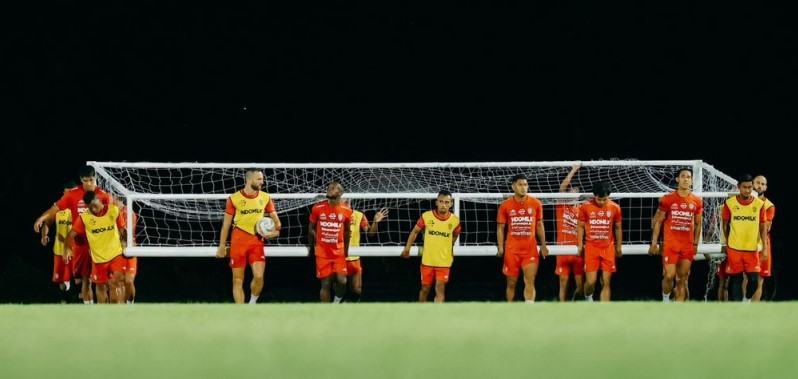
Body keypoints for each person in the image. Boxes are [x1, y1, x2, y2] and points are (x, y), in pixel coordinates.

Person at [33, 165, 110, 304]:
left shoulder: (103, 196)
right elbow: (54, 209)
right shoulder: (72, 195)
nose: (89, 184)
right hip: (81, 245)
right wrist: (41, 218)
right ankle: (89, 310)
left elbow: (112, 219)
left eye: (92, 180)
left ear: (96, 178)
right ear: (81, 179)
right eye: (86, 180)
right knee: (84, 280)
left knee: (102, 283)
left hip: (100, 244)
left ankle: (105, 312)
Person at [216, 168, 281, 304]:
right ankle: (242, 313)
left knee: (259, 277)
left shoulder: (265, 197)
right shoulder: (234, 199)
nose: (262, 182)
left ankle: (251, 304)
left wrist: (274, 233)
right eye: (259, 179)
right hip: (238, 240)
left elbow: (277, 224)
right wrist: (222, 246)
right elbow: (226, 225)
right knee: (237, 280)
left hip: (257, 241)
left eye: (262, 179)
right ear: (249, 180)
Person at [648, 168, 703, 302]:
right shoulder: (668, 199)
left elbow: (698, 224)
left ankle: (678, 311)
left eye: (688, 177)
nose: (686, 179)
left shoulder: (697, 201)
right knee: (669, 275)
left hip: (687, 246)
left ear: (691, 180)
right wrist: (654, 243)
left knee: (682, 278)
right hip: (671, 245)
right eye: (683, 176)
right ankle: (666, 300)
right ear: (677, 180)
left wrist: (695, 243)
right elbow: (658, 222)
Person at [64, 191, 127, 304]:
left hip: (116, 255)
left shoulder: (113, 210)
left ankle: (116, 312)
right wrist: (67, 249)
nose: (93, 209)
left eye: (94, 206)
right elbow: (70, 235)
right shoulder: (84, 217)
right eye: (89, 207)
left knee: (114, 284)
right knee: (101, 287)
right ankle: (103, 314)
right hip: (98, 260)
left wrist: (127, 243)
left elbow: (123, 230)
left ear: (99, 200)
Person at [496, 174, 549, 303]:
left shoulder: (536, 203)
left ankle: (528, 311)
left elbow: (539, 225)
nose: (523, 187)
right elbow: (500, 228)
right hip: (512, 251)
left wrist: (543, 245)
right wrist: (501, 248)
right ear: (513, 186)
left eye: (525, 185)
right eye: (520, 185)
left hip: (530, 250)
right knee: (511, 283)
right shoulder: (505, 205)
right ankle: (510, 310)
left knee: (530, 281)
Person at [401, 190, 461, 303]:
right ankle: (422, 312)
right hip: (427, 261)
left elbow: (455, 235)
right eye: (441, 201)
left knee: (440, 289)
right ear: (436, 202)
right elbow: (415, 232)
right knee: (425, 289)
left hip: (444, 262)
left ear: (451, 204)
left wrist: (448, 245)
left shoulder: (455, 221)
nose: (444, 205)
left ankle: (437, 316)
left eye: (447, 202)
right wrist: (407, 248)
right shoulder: (427, 216)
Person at [721, 174, 768, 302]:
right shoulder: (730, 203)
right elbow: (725, 225)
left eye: (749, 187)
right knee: (736, 280)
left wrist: (765, 247)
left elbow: (763, 227)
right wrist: (728, 241)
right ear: (739, 187)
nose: (747, 190)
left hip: (751, 249)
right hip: (735, 248)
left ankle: (746, 301)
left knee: (753, 281)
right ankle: (737, 309)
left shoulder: (759, 204)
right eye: (744, 187)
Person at [577, 181, 623, 302]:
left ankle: (604, 311)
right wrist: (580, 245)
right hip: (591, 248)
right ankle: (588, 298)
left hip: (608, 248)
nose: (602, 202)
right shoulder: (585, 207)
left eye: (605, 199)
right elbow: (580, 227)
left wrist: (618, 247)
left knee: (606, 282)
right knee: (590, 282)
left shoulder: (615, 208)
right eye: (599, 199)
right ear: (594, 196)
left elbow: (618, 228)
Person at [308, 181, 352, 303]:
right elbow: (311, 228)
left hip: (339, 252)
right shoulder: (318, 208)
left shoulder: (346, 210)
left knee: (342, 281)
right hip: (323, 253)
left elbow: (347, 231)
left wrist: (346, 251)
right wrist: (312, 248)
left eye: (333, 188)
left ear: (341, 193)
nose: (329, 188)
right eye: (329, 187)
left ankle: (336, 302)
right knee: (326, 284)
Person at [39, 181, 78, 303]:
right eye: (68, 193)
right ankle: (64, 301)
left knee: (79, 279)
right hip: (60, 250)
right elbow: (48, 223)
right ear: (63, 193)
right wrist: (44, 235)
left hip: (76, 250)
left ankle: (79, 301)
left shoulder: (81, 208)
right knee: (62, 281)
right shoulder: (57, 208)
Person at [345, 201, 389, 302]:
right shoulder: (335, 215)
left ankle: (355, 307)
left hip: (353, 258)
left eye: (348, 198)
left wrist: (375, 222)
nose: (346, 200)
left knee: (356, 290)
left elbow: (370, 233)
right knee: (339, 288)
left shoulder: (359, 215)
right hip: (338, 256)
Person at [555, 164, 585, 301]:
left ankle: (574, 300)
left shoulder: (583, 209)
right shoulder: (562, 206)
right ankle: (562, 308)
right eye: (570, 192)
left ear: (579, 195)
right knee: (563, 283)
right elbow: (562, 188)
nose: (573, 194)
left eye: (576, 192)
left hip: (578, 250)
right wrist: (574, 169)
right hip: (562, 250)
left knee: (580, 286)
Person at [750, 175, 775, 301]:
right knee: (745, 277)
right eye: (757, 183)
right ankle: (744, 306)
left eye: (762, 184)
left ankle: (753, 310)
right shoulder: (742, 202)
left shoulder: (769, 206)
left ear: (765, 187)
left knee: (759, 279)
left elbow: (766, 228)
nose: (759, 185)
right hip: (745, 243)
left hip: (761, 244)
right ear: (752, 184)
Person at [116, 197, 140, 304]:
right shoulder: (113, 211)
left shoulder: (127, 212)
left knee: (129, 280)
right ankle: (121, 309)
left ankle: (130, 303)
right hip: (116, 251)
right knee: (119, 281)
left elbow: (126, 233)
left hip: (129, 250)